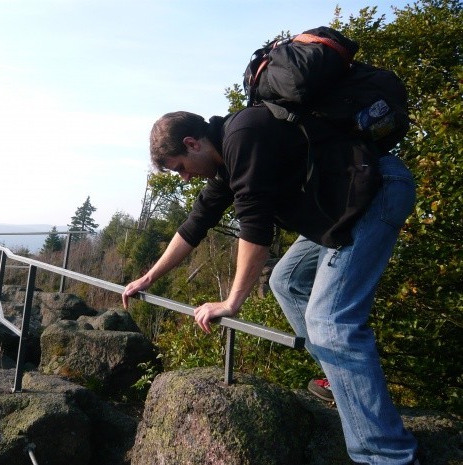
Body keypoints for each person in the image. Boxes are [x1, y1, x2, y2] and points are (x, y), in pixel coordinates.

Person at [121, 108, 420, 465]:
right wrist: (148, 277)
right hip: (343, 205)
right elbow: (194, 225)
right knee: (287, 280)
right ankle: (340, 382)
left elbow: (256, 229)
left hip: (375, 191)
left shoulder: (242, 137)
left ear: (192, 143)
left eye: (180, 167)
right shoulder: (227, 161)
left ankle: (388, 456)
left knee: (329, 322)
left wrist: (232, 301)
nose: (184, 178)